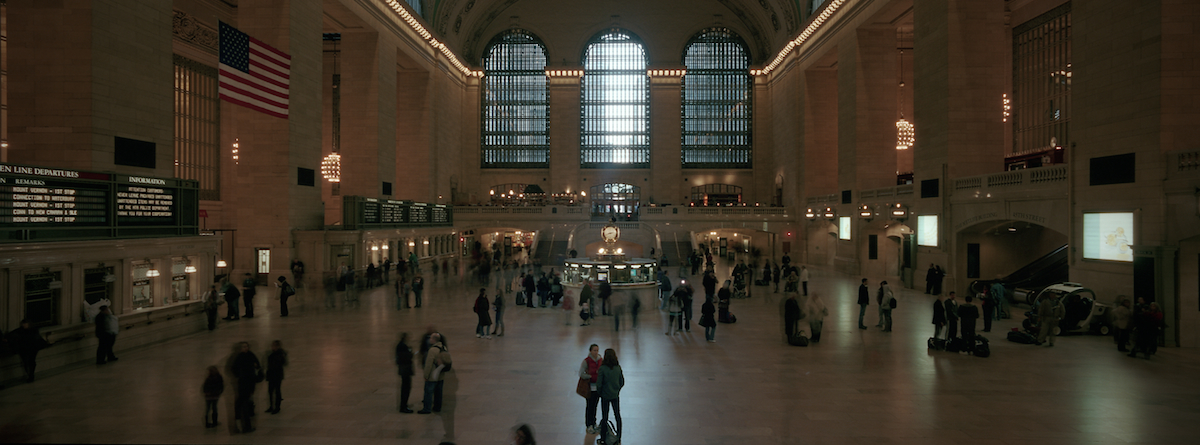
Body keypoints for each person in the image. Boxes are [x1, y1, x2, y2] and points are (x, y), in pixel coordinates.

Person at [231, 341, 261, 433]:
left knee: (246, 404)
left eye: (246, 346)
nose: (245, 348)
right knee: (245, 406)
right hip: (244, 383)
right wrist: (240, 375)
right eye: (243, 347)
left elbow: (258, 365)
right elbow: (234, 369)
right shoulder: (239, 357)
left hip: (250, 383)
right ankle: (246, 427)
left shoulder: (251, 355)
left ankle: (244, 426)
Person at [596, 348, 625, 441]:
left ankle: (603, 438)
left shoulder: (602, 368)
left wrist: (600, 392)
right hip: (615, 395)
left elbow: (599, 384)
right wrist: (617, 390)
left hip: (605, 395)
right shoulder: (618, 367)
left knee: (605, 416)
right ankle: (619, 436)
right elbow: (622, 381)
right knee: (617, 415)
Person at [418, 333, 450, 414]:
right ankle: (437, 407)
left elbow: (428, 364)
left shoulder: (432, 350)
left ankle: (427, 409)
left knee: (428, 392)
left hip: (432, 376)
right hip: (441, 375)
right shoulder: (444, 347)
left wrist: (426, 375)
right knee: (438, 393)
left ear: (434, 340)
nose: (429, 339)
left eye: (431, 338)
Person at [579, 344, 603, 434]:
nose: (596, 352)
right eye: (594, 350)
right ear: (590, 351)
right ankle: (589, 424)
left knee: (595, 406)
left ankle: (594, 423)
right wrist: (590, 376)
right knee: (590, 406)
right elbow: (581, 373)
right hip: (590, 388)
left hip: (598, 388)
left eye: (597, 350)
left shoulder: (601, 360)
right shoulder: (586, 361)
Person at [265, 340, 287, 414]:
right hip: (271, 375)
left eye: (274, 345)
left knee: (277, 391)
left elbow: (280, 363)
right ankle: (271, 406)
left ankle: (277, 407)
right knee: (270, 391)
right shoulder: (272, 354)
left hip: (277, 375)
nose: (272, 347)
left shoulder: (280, 354)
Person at [395, 333, 415, 413]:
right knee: (406, 388)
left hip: (403, 370)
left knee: (405, 388)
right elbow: (406, 357)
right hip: (405, 370)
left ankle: (404, 405)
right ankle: (403, 407)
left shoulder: (400, 345)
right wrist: (410, 352)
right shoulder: (402, 346)